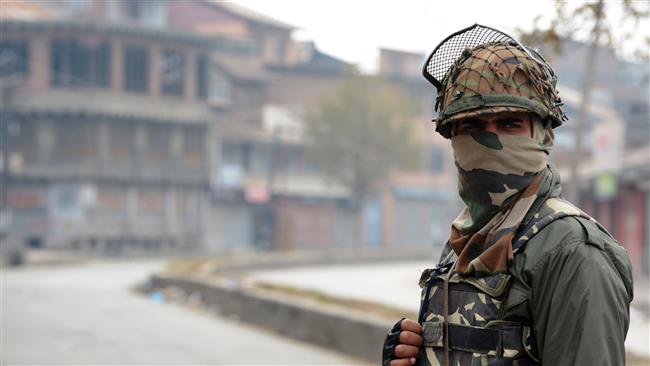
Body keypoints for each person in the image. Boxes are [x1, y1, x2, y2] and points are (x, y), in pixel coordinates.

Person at [382, 25, 633, 366]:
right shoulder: (469, 239)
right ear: (453, 138)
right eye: (472, 127)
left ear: (542, 135)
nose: (490, 141)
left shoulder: (572, 250)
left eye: (509, 124)